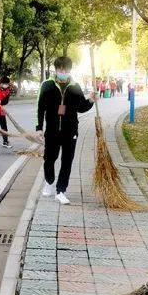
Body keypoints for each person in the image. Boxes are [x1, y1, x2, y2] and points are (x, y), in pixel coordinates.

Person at [37, 57, 95, 204]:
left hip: (71, 131)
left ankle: (61, 190)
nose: (63, 72)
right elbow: (40, 108)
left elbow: (81, 107)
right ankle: (49, 182)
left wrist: (91, 101)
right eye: (60, 69)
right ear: (56, 69)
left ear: (70, 70)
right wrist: (39, 128)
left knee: (67, 161)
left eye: (66, 69)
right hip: (52, 130)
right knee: (49, 159)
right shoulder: (47, 85)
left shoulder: (75, 87)